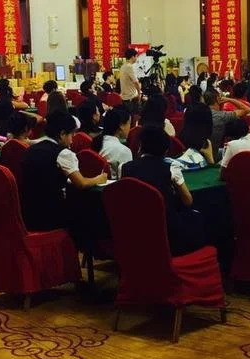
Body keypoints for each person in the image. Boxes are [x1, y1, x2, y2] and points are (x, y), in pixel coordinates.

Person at [121, 126, 205, 256]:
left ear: (140, 146)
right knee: (197, 217)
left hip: (135, 228)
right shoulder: (171, 167)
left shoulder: (125, 168)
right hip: (167, 230)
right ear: (166, 150)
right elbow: (188, 200)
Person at [21, 111, 107, 233]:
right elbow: (81, 183)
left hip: (28, 213)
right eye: (71, 134)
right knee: (89, 214)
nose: (72, 140)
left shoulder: (30, 148)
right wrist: (99, 178)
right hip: (51, 216)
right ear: (62, 134)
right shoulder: (63, 153)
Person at [92, 108, 132, 179]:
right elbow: (126, 181)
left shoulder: (96, 141)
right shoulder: (124, 151)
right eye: (129, 123)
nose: (130, 127)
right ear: (121, 126)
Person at [178, 101, 216, 168]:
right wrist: (209, 156)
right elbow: (211, 171)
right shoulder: (205, 143)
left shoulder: (179, 137)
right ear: (208, 122)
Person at [119, 48, 141, 114]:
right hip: (131, 98)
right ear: (132, 57)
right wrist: (139, 94)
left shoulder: (123, 66)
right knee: (134, 117)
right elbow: (136, 82)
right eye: (136, 56)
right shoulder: (130, 67)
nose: (137, 58)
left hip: (125, 98)